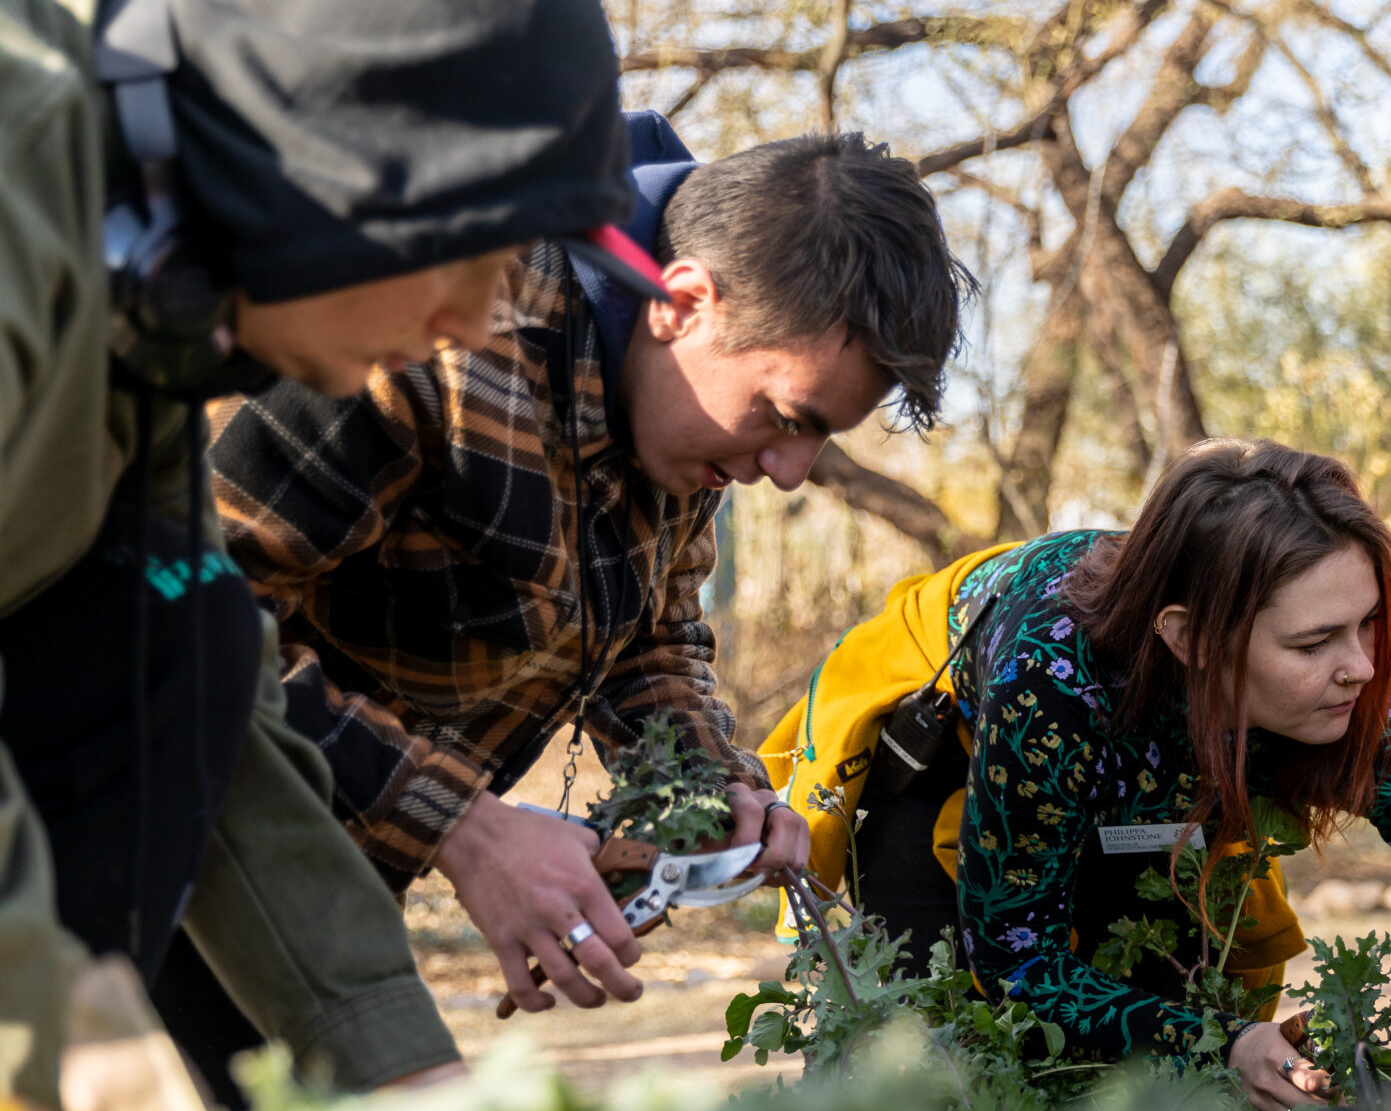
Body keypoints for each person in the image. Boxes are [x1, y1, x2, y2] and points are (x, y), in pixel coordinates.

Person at [0, 0, 643, 1106]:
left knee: (186, 628)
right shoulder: (21, 158)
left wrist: (407, 1093)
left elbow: (203, 706)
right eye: (476, 260)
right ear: (343, 166)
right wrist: (91, 1105)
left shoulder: (149, 311)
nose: (468, 326)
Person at [209, 111, 972, 1029]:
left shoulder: (681, 424)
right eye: (785, 417)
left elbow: (652, 637)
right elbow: (176, 611)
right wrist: (467, 830)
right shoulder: (421, 319)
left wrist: (709, 786)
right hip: (129, 834)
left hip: (316, 886)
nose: (790, 472)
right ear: (682, 301)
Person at [768, 440, 1391, 1111]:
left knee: (1186, 1061)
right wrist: (1208, 1042)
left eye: (1366, 626)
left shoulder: (1357, 689)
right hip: (952, 784)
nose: (1358, 666)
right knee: (960, 1070)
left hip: (1173, 779)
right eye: (1314, 641)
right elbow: (1015, 958)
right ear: (1192, 638)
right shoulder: (1052, 682)